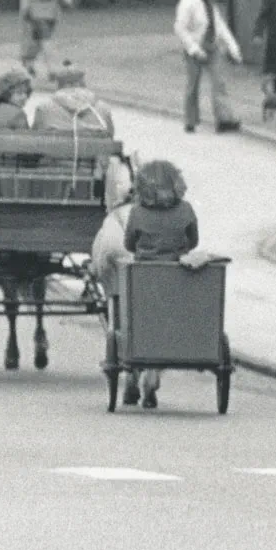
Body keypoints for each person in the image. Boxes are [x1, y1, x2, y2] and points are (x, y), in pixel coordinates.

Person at [121, 160, 199, 409]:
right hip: (178, 277)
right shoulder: (186, 210)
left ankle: (134, 374)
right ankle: (154, 378)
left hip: (145, 277)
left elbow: (128, 245)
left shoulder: (136, 213)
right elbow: (193, 241)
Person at [89, 170, 159, 407]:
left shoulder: (115, 217)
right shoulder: (160, 216)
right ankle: (151, 378)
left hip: (117, 264)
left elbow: (101, 259)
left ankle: (131, 376)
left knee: (121, 313)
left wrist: (96, 273)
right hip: (153, 271)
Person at [174, 0, 244, 134]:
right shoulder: (188, 2)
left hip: (212, 48)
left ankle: (223, 120)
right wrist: (194, 49)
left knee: (219, 84)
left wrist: (234, 49)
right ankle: (190, 120)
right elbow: (180, 28)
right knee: (193, 84)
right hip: (194, 49)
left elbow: (220, 28)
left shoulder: (210, 5)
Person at [30, 61, 114, 135]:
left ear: (59, 85)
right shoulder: (103, 108)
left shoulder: (43, 108)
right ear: (83, 84)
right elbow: (111, 135)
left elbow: (35, 135)